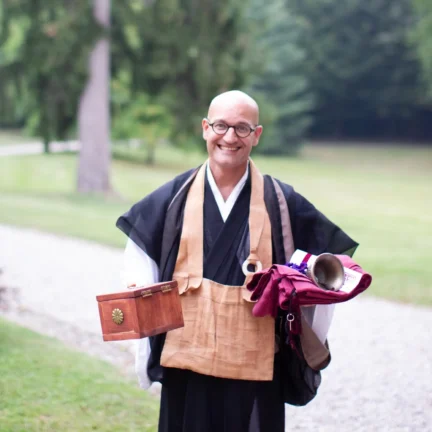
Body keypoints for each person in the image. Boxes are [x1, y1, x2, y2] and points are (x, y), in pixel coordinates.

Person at [116, 90, 358, 432]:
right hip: (187, 361)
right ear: (204, 128)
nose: (230, 137)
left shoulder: (281, 201)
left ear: (256, 135)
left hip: (255, 363)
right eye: (221, 126)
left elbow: (323, 272)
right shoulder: (175, 196)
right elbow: (140, 262)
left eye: (242, 128)